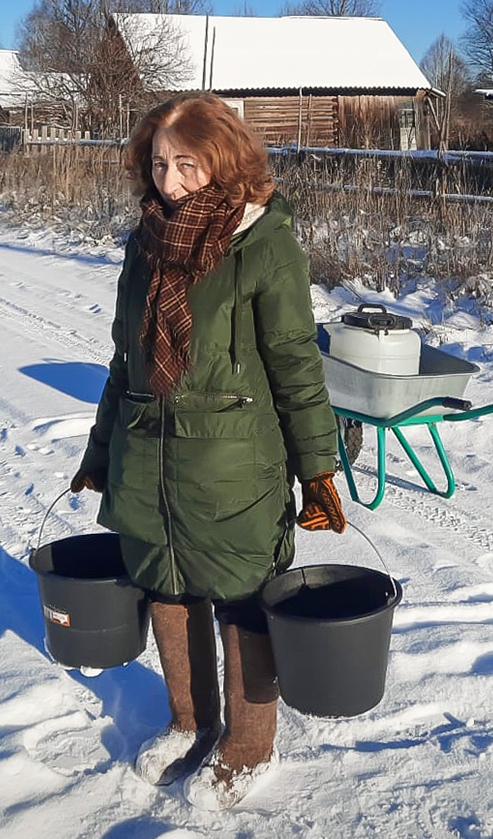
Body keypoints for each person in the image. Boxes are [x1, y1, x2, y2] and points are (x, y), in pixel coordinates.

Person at [70, 91, 345, 809]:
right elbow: (124, 360)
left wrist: (317, 469)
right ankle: (191, 722)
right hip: (146, 459)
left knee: (240, 595)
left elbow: (293, 360)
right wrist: (101, 449)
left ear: (221, 160)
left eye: (186, 165)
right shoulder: (146, 239)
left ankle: (249, 747)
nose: (169, 182)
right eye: (159, 164)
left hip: (232, 467)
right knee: (165, 584)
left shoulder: (263, 240)